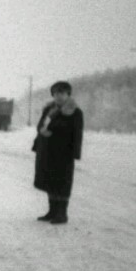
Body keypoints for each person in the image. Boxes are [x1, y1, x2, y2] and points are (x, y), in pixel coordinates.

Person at [32, 81, 83, 224]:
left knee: (62, 183)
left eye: (62, 93)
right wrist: (42, 131)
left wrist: (74, 153)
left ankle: (62, 214)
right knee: (49, 181)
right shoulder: (49, 110)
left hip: (63, 153)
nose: (58, 96)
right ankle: (52, 211)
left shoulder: (75, 112)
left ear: (68, 94)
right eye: (55, 93)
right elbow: (40, 125)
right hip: (47, 151)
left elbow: (76, 134)